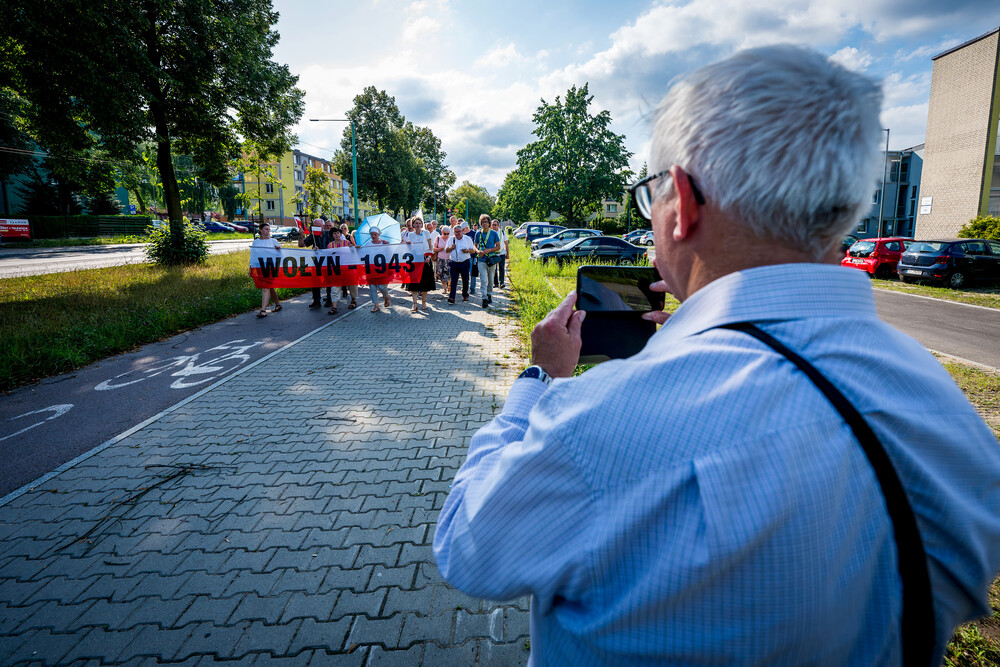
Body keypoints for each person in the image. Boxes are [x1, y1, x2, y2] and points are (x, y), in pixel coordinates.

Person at [432, 45, 1000, 665]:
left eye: (651, 197)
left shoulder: (601, 422)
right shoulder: (951, 416)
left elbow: (468, 547)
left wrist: (537, 377)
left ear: (683, 200)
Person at [298, 218, 337, 309]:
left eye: (318, 226)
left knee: (329, 281)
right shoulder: (313, 235)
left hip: (329, 261)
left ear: (323, 226)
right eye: (314, 226)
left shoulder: (330, 234)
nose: (316, 228)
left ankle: (329, 299)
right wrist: (301, 235)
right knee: (315, 281)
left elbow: (337, 245)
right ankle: (316, 301)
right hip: (317, 262)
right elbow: (301, 245)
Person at [402, 218, 435, 311]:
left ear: (422, 224)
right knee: (414, 284)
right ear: (413, 224)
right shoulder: (410, 234)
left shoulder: (426, 233)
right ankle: (414, 304)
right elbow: (409, 248)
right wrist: (407, 244)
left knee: (425, 283)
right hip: (415, 261)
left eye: (419, 223)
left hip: (425, 259)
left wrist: (429, 257)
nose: (418, 225)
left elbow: (430, 246)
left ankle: (424, 303)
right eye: (416, 223)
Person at [252, 222, 282, 317]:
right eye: (266, 229)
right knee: (269, 287)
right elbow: (253, 255)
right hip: (260, 266)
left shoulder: (273, 241)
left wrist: (278, 249)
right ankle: (278, 304)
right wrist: (250, 268)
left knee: (265, 287)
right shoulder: (256, 242)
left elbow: (280, 254)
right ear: (260, 230)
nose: (268, 231)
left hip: (271, 266)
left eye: (269, 229)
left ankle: (263, 310)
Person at [325, 227, 356, 313]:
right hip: (336, 270)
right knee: (334, 288)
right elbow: (327, 256)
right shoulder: (330, 245)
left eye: (338, 233)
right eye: (334, 233)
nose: (337, 234)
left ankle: (353, 301)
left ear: (340, 234)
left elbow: (353, 254)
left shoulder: (347, 243)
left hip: (348, 269)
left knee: (352, 286)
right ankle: (334, 307)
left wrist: (352, 248)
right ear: (332, 235)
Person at [473, 214, 500, 308]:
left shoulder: (494, 233)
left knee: (491, 280)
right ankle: (484, 298)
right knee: (483, 280)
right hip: (481, 260)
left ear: (489, 223)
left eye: (486, 222)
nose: (484, 224)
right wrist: (478, 251)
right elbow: (474, 245)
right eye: (482, 222)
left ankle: (489, 294)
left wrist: (489, 250)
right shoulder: (478, 233)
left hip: (491, 260)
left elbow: (498, 247)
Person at [446, 222, 475, 303]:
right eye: (455, 232)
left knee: (465, 280)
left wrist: (467, 251)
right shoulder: (451, 239)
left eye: (459, 231)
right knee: (453, 280)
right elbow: (446, 250)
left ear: (462, 231)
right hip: (454, 263)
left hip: (464, 262)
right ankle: (452, 297)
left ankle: (465, 295)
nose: (457, 233)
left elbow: (473, 251)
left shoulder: (467, 239)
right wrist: (450, 247)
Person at [365, 227, 392, 312]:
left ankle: (386, 297)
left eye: (375, 234)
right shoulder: (367, 244)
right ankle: (376, 305)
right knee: (372, 287)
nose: (373, 236)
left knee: (381, 286)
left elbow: (390, 254)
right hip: (371, 268)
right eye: (372, 234)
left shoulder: (384, 243)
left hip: (382, 268)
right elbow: (363, 253)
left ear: (379, 234)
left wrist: (389, 247)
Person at [435, 224, 452, 296]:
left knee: (450, 274)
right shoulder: (438, 238)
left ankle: (449, 286)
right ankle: (444, 289)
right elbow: (434, 249)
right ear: (442, 232)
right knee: (441, 274)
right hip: (440, 259)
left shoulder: (450, 239)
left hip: (449, 259)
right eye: (445, 234)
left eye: (448, 234)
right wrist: (441, 249)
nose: (446, 235)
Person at [491, 218, 508, 289]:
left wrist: (508, 253)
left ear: (498, 225)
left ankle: (502, 282)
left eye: (495, 225)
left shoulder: (502, 232)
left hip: (501, 253)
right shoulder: (490, 232)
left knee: (501, 268)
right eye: (492, 225)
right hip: (493, 254)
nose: (494, 226)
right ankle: (495, 283)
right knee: (494, 269)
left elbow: (506, 243)